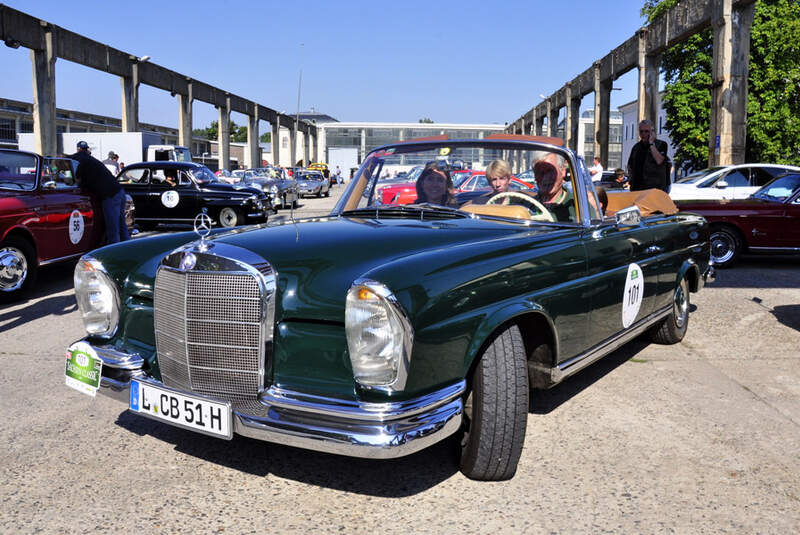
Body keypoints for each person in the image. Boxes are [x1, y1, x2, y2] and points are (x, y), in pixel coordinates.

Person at [71, 140, 129, 244]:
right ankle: (128, 249)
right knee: (121, 225)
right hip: (119, 191)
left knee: (112, 229)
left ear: (78, 149)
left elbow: (79, 181)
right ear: (87, 149)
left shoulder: (79, 160)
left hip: (110, 195)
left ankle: (114, 254)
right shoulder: (92, 160)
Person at [627, 119, 671, 192]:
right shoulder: (636, 147)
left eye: (646, 131)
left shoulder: (661, 144)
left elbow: (659, 160)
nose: (643, 134)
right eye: (641, 131)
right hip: (637, 188)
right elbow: (630, 166)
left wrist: (651, 144)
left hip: (655, 188)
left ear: (652, 132)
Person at [533, 152, 575, 222]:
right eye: (539, 172)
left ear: (563, 171)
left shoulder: (577, 207)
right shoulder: (526, 206)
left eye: (550, 170)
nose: (545, 178)